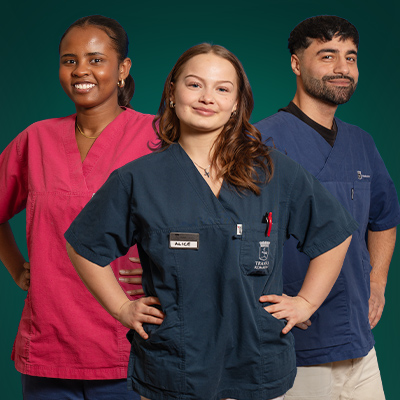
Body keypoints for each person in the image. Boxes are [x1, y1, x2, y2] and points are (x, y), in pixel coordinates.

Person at [65, 43, 357, 400]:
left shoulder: (272, 170)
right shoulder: (137, 179)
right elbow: (83, 245)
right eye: (194, 84)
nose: (207, 98)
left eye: (222, 89)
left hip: (257, 362)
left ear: (236, 103)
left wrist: (307, 302)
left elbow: (334, 232)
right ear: (172, 92)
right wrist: (122, 307)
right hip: (174, 368)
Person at [0, 15, 155, 399]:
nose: (81, 70)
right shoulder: (36, 139)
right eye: (69, 60)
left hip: (129, 344)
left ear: (123, 69)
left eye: (95, 59)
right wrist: (17, 268)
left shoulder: (157, 137)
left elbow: (200, 218)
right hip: (49, 345)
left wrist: (164, 268)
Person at [255, 15, 400, 400]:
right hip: (293, 349)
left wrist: (377, 282)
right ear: (296, 63)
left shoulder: (361, 143)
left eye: (350, 57)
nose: (342, 68)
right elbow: (230, 233)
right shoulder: (262, 142)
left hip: (359, 346)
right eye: (327, 55)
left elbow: (385, 217)